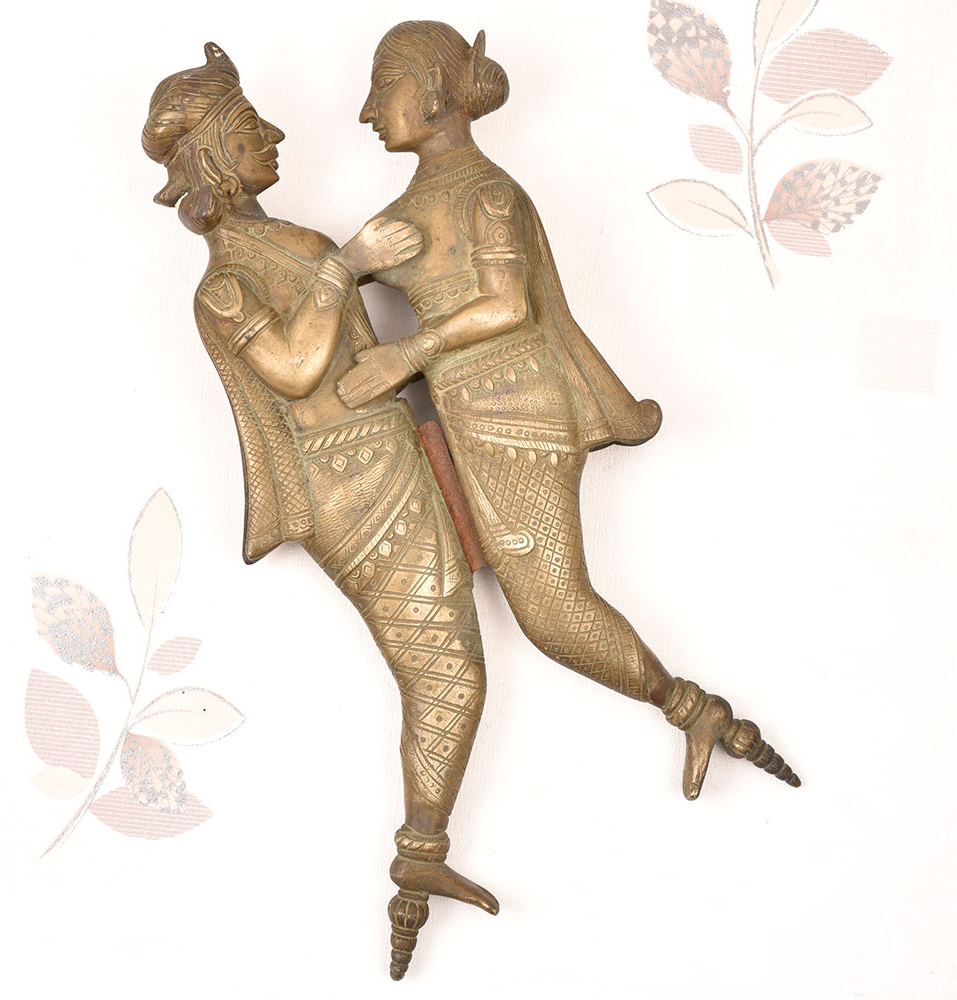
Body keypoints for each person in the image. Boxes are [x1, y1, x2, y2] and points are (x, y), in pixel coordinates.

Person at [337, 21, 800, 803]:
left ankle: (696, 712)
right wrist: (340, 267)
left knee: (552, 614)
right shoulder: (410, 209)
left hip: (514, 407)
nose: (367, 111)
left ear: (434, 89)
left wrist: (406, 353)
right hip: (468, 409)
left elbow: (507, 304)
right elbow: (334, 277)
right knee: (538, 607)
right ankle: (696, 712)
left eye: (384, 87)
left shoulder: (488, 194)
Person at [143, 44, 497, 979]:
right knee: (449, 677)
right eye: (249, 129)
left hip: (393, 453)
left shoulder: (291, 241)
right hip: (349, 487)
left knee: (455, 668)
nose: (274, 134)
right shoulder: (223, 287)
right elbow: (300, 371)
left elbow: (369, 327)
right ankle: (418, 863)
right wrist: (351, 265)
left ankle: (421, 859)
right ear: (215, 157)